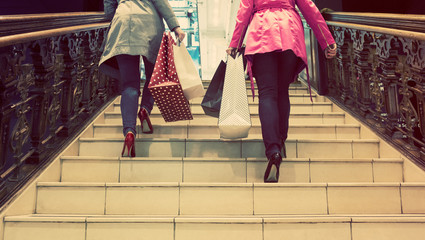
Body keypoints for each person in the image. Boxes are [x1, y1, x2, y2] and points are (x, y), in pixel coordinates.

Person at [226, 0, 337, 182]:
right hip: (290, 31)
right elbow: (310, 9)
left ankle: (273, 150)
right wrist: (327, 41)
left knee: (267, 93)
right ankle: (281, 140)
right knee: (282, 91)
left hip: (261, 31)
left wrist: (235, 43)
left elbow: (244, 12)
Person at [99, 0, 186, 157]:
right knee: (155, 75)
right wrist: (175, 26)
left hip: (123, 24)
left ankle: (129, 132)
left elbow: (108, 8)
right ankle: (145, 108)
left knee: (129, 85)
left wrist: (117, 17)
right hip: (150, 25)